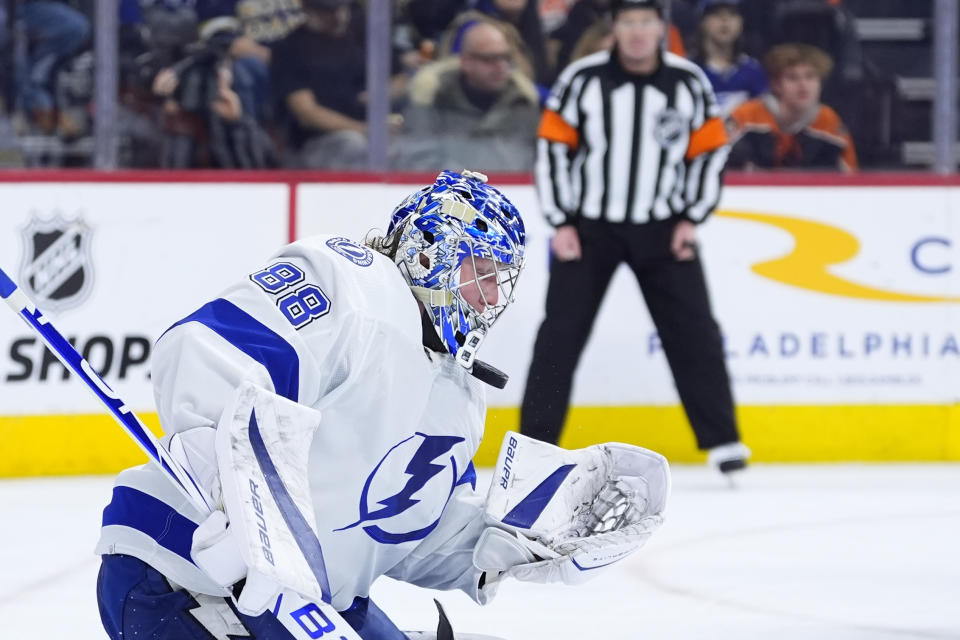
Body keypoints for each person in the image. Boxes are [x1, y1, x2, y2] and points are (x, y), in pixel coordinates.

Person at [93, 170, 668, 639]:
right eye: (480, 274)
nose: (491, 299)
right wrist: (232, 497)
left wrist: (499, 547)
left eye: (501, 283)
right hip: (176, 568)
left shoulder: (459, 397)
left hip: (301, 603)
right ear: (430, 254)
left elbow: (395, 533)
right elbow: (209, 352)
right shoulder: (353, 283)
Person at [521, 0, 750, 474]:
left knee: (695, 333)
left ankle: (723, 441)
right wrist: (561, 221)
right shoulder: (582, 80)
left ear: (661, 27)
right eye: (629, 21)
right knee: (559, 335)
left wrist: (692, 217)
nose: (638, 31)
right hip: (589, 228)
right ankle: (536, 445)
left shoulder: (687, 82)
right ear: (616, 27)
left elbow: (707, 153)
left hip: (665, 229)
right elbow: (553, 149)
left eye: (647, 21)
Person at [396, 20, 541, 171]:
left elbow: (537, 164)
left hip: (515, 194)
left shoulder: (523, 104)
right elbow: (418, 161)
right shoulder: (432, 99)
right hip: (447, 192)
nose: (501, 66)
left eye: (506, 58)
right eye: (489, 59)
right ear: (466, 62)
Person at [727, 43, 857, 171]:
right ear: (776, 84)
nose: (803, 85)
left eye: (810, 76)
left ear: (820, 83)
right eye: (792, 77)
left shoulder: (829, 120)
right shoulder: (746, 115)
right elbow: (717, 162)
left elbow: (850, 175)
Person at [692, 0, 767, 117]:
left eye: (732, 14)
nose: (725, 20)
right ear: (702, 22)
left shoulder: (753, 70)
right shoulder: (689, 71)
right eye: (716, 14)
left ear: (741, 23)